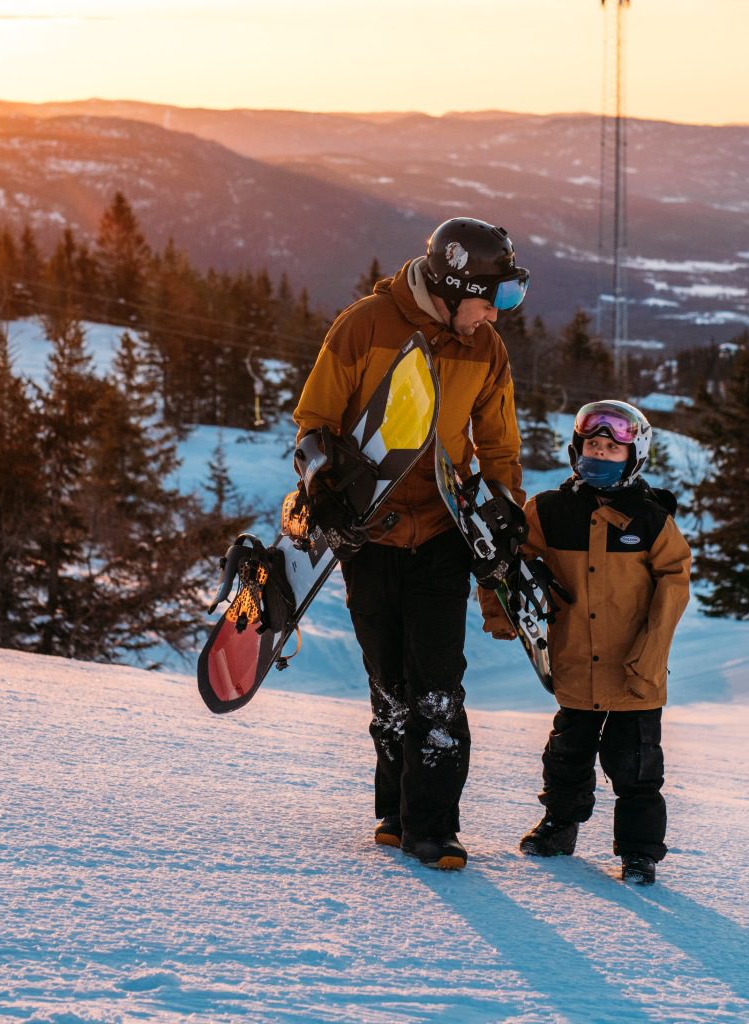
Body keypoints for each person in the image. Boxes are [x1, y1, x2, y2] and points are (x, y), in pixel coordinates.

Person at [292, 218, 528, 871]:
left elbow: (500, 447)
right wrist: (321, 483)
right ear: (453, 286)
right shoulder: (364, 327)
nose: (495, 315)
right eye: (493, 299)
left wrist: (505, 514)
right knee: (389, 683)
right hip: (369, 534)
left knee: (437, 688)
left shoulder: (485, 349)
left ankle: (435, 827)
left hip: (442, 536)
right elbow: (313, 424)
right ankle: (395, 812)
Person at [486, 399, 691, 884]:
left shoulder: (650, 518)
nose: (598, 456)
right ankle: (560, 825)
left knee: (637, 766)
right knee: (566, 754)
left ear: (634, 457)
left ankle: (639, 852)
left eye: (610, 450)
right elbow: (510, 565)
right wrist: (501, 615)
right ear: (576, 452)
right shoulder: (550, 510)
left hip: (634, 669)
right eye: (591, 447)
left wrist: (652, 653)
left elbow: (674, 582)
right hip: (574, 660)